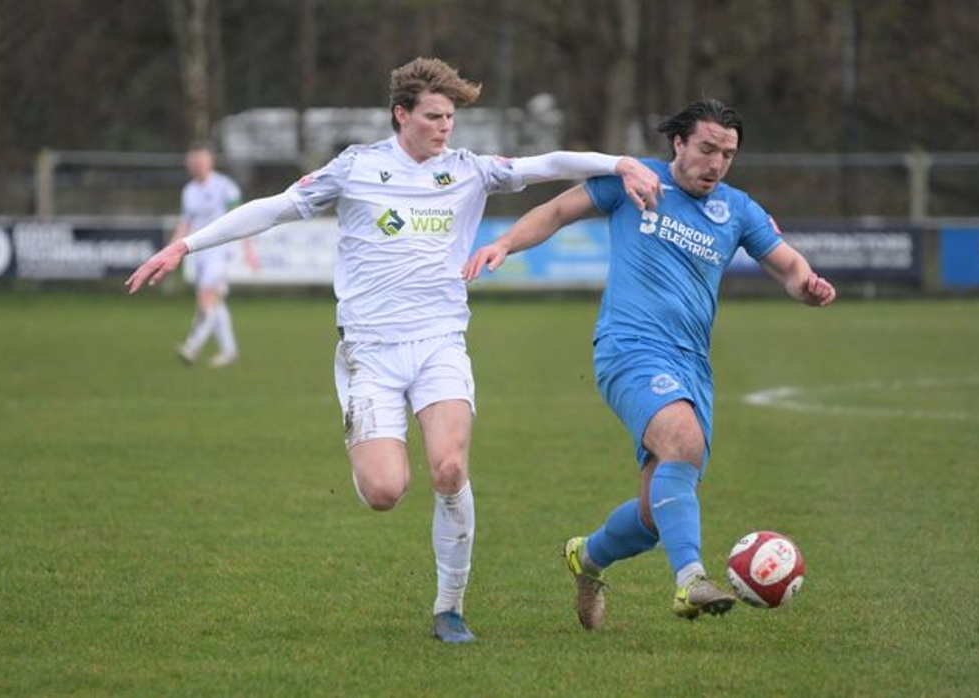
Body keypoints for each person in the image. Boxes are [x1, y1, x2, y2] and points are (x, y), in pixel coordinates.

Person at [126, 57, 662, 643]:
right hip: (370, 352)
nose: (445, 127)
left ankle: (449, 609)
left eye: (450, 117)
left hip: (439, 343)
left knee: (450, 468)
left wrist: (619, 162)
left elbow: (548, 165)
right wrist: (185, 247)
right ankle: (367, 446)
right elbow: (274, 207)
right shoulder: (356, 167)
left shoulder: (469, 169)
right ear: (401, 114)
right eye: (433, 116)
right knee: (385, 492)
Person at [464, 99, 836, 629]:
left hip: (692, 366)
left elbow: (788, 264)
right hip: (629, 348)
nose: (716, 163)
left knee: (656, 512)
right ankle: (690, 580)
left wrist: (806, 285)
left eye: (727, 154)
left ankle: (587, 557)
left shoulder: (737, 209)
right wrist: (503, 243)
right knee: (683, 441)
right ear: (678, 143)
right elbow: (558, 211)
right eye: (706, 149)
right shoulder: (635, 180)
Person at [171, 143, 258, 368]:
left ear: (210, 162)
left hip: (221, 250)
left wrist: (248, 250)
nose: (197, 166)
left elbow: (242, 218)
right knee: (215, 303)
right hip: (199, 252)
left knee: (206, 295)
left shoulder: (225, 187)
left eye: (201, 161)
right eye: (194, 162)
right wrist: (171, 251)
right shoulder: (189, 191)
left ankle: (191, 347)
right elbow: (185, 223)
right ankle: (230, 352)